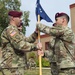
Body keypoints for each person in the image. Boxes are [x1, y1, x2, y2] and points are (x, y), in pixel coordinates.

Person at [0, 10, 42, 75]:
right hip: (11, 67)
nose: (21, 19)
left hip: (16, 65)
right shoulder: (10, 30)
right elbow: (20, 45)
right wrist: (35, 46)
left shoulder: (18, 32)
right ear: (13, 18)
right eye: (19, 17)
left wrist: (36, 33)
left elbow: (27, 40)